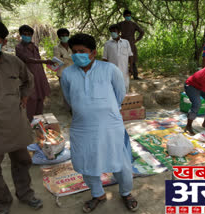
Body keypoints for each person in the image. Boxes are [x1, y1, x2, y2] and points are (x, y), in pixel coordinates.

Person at [60, 33, 138, 212]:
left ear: (93, 52)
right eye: (75, 51)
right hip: (82, 127)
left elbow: (120, 94)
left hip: (110, 125)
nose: (77, 54)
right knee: (87, 162)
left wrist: (104, 110)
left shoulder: (110, 69)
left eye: (82, 51)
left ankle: (126, 192)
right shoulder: (67, 74)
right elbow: (69, 98)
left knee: (120, 162)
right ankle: (98, 194)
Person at [0, 18, 42, 214]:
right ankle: (2, 203)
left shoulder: (14, 62)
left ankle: (25, 194)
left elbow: (28, 81)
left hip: (16, 122)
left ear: (3, 42)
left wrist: (24, 98)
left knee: (23, 161)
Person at [15, 24, 53, 122]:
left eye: (29, 34)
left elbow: (37, 59)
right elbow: (27, 59)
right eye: (24, 34)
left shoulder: (34, 46)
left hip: (39, 75)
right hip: (27, 77)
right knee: (31, 99)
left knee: (41, 97)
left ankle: (38, 122)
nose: (27, 36)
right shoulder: (19, 47)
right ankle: (29, 123)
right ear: (21, 35)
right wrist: (44, 61)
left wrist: (45, 64)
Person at [103, 24, 133, 92]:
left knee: (125, 89)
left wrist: (131, 67)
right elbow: (105, 58)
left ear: (119, 31)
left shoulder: (126, 42)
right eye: (111, 32)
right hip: (112, 72)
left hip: (124, 71)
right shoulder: (107, 44)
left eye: (114, 31)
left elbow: (130, 55)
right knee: (113, 90)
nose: (113, 33)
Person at [117, 9, 144, 80]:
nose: (128, 17)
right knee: (123, 60)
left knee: (133, 60)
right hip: (123, 43)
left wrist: (137, 40)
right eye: (126, 16)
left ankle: (135, 75)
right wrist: (119, 37)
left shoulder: (133, 24)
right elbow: (114, 30)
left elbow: (142, 32)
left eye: (129, 16)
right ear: (123, 16)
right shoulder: (120, 24)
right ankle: (123, 76)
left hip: (131, 43)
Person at [53, 28, 73, 110]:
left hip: (74, 71)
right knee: (65, 92)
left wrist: (63, 57)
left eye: (66, 35)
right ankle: (68, 109)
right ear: (59, 37)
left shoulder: (73, 46)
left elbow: (77, 57)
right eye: (62, 36)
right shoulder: (56, 48)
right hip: (62, 72)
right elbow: (57, 60)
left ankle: (75, 107)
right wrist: (70, 58)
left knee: (75, 90)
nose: (64, 37)